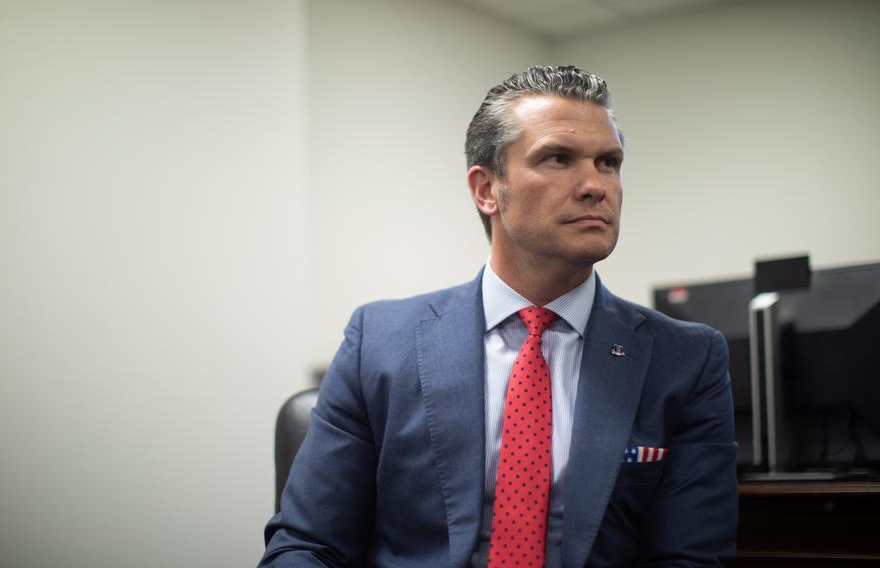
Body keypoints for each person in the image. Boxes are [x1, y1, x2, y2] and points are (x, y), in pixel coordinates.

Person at [258, 65, 737, 567]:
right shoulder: (377, 342)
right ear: (487, 189)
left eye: (609, 162)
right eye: (559, 158)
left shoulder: (686, 358)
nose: (595, 185)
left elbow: (692, 559)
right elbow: (307, 544)